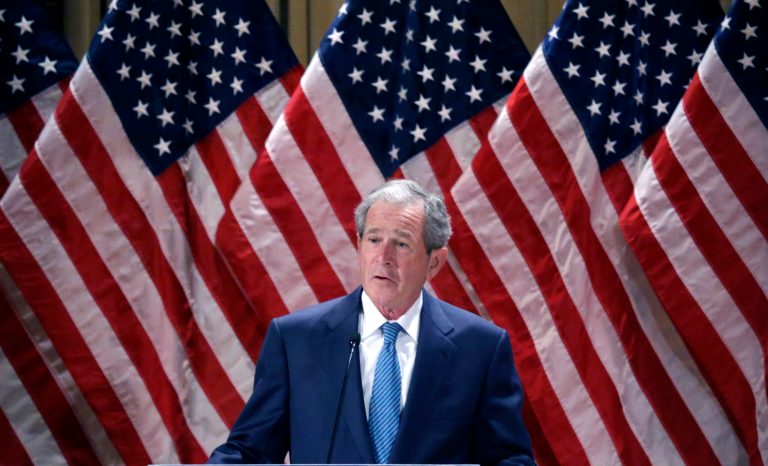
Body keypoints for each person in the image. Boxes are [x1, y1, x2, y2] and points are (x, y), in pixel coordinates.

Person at [208, 180, 534, 465]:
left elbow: (509, 459)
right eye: (374, 239)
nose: (384, 257)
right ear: (360, 246)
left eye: (402, 243)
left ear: (435, 262)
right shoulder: (296, 340)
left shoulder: (480, 348)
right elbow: (250, 452)